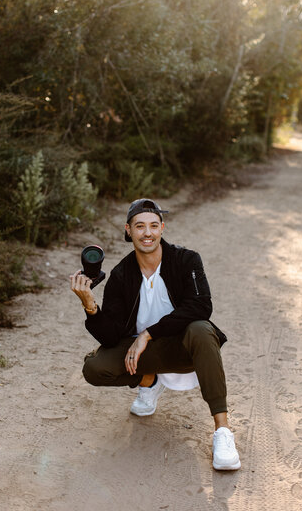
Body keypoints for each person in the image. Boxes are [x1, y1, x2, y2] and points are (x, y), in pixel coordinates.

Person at [69, 198, 241, 471]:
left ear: (162, 227)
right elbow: (111, 337)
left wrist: (147, 334)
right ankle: (149, 381)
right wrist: (89, 305)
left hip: (183, 349)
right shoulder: (121, 274)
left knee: (201, 329)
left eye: (152, 225)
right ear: (128, 230)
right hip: (144, 355)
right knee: (94, 367)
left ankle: (223, 432)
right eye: (139, 226)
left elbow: (201, 306)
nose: (147, 233)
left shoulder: (186, 260)